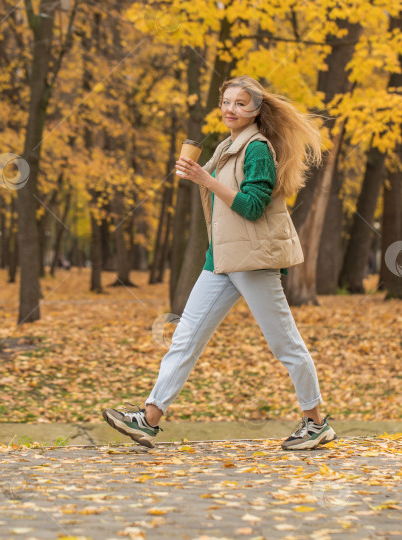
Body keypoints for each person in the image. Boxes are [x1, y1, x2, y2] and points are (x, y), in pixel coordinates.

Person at [102, 75, 335, 451]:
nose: (231, 109)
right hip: (221, 261)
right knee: (185, 339)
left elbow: (252, 206)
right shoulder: (230, 144)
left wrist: (205, 179)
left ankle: (315, 423)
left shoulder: (256, 148)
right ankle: (148, 419)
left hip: (253, 261)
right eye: (226, 102)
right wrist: (201, 177)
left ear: (256, 110)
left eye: (241, 103)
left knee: (285, 344)